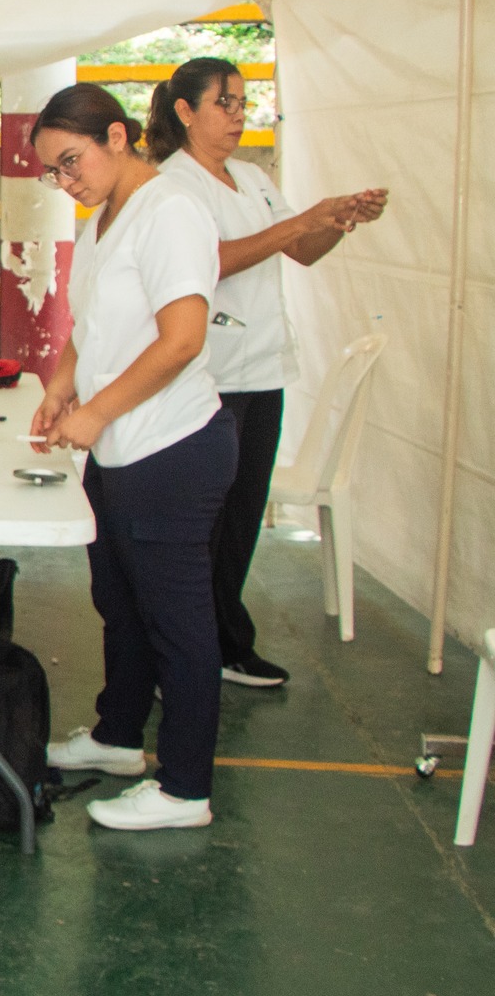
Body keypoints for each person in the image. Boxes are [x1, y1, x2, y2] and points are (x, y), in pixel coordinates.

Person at [26, 86, 238, 832]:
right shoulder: (102, 220)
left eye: (71, 161)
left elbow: (182, 339)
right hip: (120, 447)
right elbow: (91, 327)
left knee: (177, 622)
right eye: (54, 171)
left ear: (118, 136)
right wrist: (60, 387)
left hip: (171, 448)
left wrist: (96, 412)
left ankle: (185, 789)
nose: (66, 181)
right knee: (120, 602)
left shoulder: (171, 211)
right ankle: (119, 737)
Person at [149, 57, 388, 688]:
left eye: (242, 103)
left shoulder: (251, 179)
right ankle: (209, 643)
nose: (237, 116)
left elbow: (302, 250)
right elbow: (208, 263)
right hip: (210, 375)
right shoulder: (175, 186)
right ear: (185, 111)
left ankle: (224, 638)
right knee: (209, 520)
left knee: (244, 516)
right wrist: (298, 221)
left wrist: (338, 222)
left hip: (262, 371)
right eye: (223, 103)